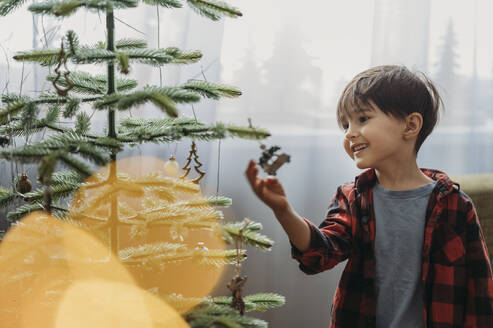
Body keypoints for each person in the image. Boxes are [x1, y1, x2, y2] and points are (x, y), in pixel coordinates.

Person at [245, 65, 493, 327]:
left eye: (363, 119)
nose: (350, 132)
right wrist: (283, 211)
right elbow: (321, 254)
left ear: (410, 125)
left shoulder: (456, 205)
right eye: (345, 124)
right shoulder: (353, 199)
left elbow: (480, 290)